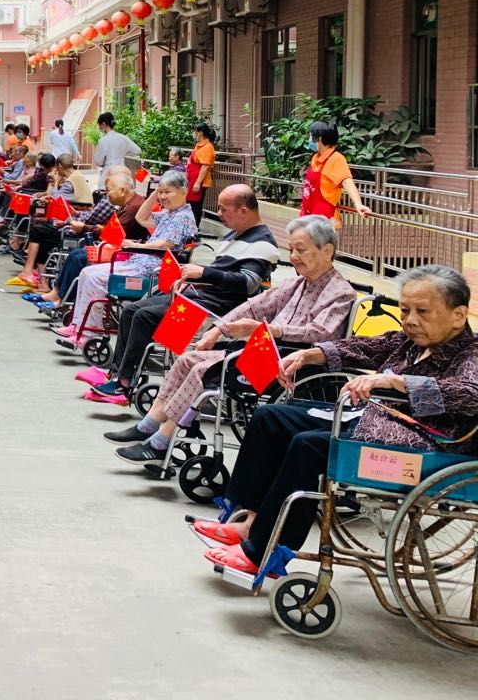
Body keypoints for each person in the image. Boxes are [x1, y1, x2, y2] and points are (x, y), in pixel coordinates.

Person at [195, 264, 478, 576]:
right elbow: (365, 346)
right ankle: (250, 520)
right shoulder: (410, 342)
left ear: (458, 315)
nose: (410, 321)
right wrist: (309, 355)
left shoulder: (471, 355)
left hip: (426, 455)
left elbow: (469, 394)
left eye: (422, 311)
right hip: (373, 427)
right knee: (269, 417)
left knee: (309, 446)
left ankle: (265, 551)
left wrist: (396, 383)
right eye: (405, 310)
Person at [107, 215, 355, 464]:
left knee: (203, 369)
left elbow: (320, 333)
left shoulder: (340, 292)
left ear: (327, 251)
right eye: (291, 250)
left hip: (288, 361)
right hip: (260, 348)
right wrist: (218, 330)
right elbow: (254, 306)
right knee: (188, 358)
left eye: (300, 250)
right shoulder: (296, 283)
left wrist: (270, 329)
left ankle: (161, 441)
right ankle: (150, 424)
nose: (293, 257)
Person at [91, 184, 281, 400]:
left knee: (144, 317)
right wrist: (191, 278)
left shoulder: (262, 243)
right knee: (131, 310)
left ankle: (125, 383)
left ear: (243, 211)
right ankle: (118, 376)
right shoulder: (235, 234)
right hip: (198, 298)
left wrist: (203, 273)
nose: (218, 214)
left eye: (222, 209)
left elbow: (248, 283)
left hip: (216, 310)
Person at [53, 170, 198, 337]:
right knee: (86, 272)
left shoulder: (183, 217)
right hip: (140, 262)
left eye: (168, 192)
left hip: (151, 269)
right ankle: (79, 325)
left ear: (184, 191)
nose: (163, 197)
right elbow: (141, 218)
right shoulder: (169, 215)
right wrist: (155, 193)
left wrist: (135, 245)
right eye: (162, 192)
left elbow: (165, 244)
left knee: (93, 276)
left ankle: (87, 332)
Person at [28, 165, 149, 306]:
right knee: (76, 254)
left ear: (122, 191)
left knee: (79, 258)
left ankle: (62, 300)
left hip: (122, 251)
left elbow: (114, 234)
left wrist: (85, 227)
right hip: (112, 245)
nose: (106, 194)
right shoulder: (127, 204)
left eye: (109, 190)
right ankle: (55, 294)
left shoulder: (133, 206)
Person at [300, 120, 373, 223]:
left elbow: (347, 181)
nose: (309, 139)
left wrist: (358, 204)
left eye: (311, 136)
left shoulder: (336, 159)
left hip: (324, 222)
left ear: (319, 138)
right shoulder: (316, 158)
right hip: (307, 218)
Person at [187, 122, 218, 226]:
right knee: (190, 204)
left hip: (199, 181)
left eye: (196, 131)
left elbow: (205, 166)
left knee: (196, 205)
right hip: (192, 179)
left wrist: (197, 182)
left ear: (200, 132)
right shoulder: (199, 145)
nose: (194, 133)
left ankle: (194, 228)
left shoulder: (207, 147)